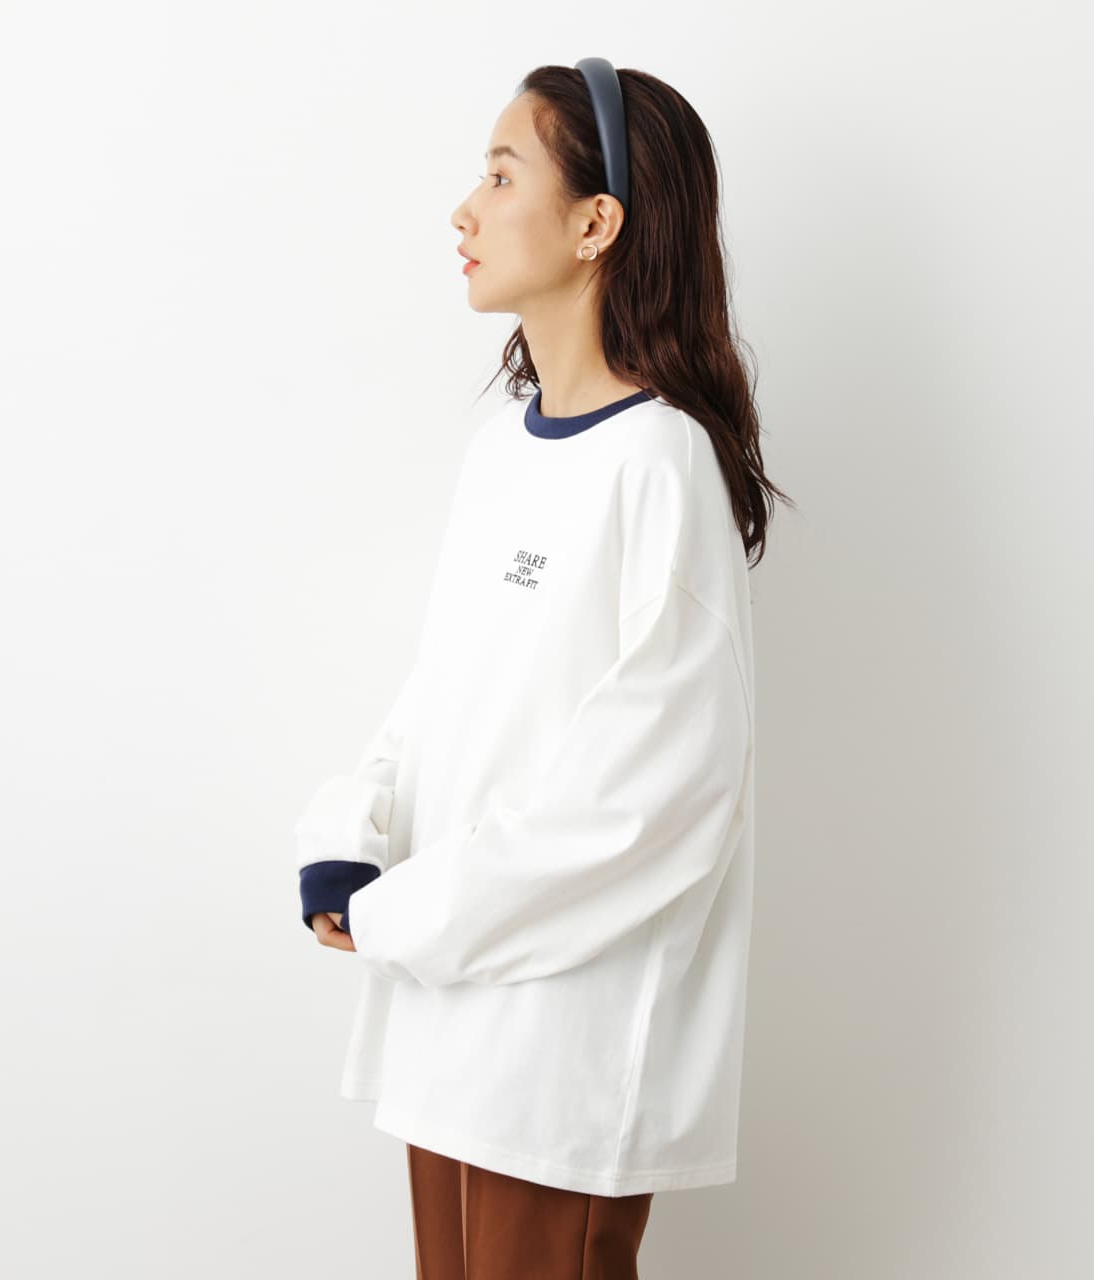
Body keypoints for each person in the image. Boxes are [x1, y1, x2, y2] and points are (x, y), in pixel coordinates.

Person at [294, 59, 793, 1280]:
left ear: (594, 223)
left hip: (559, 1051)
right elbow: (446, 690)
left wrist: (405, 910)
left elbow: (651, 798)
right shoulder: (502, 455)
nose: (464, 209)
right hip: (445, 1024)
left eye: (502, 174)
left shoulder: (660, 465)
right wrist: (349, 832)